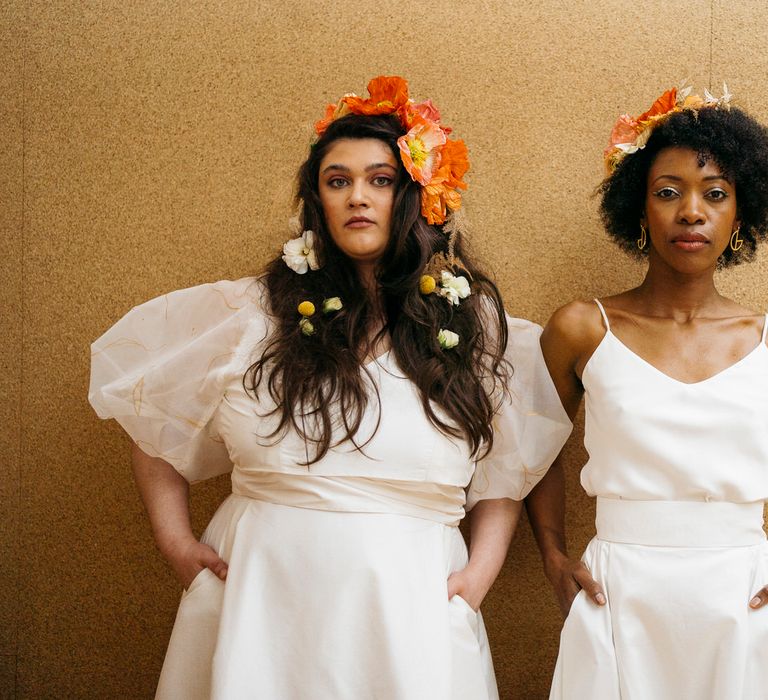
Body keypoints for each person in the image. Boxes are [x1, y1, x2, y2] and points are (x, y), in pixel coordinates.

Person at [89, 76, 571, 700]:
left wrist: (480, 573)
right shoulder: (255, 312)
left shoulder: (472, 325)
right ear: (318, 201)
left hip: (412, 602)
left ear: (417, 196)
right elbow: (151, 409)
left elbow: (509, 467)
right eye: (337, 181)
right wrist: (175, 541)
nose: (357, 197)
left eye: (380, 179)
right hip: (262, 593)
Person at [526, 84, 768, 699]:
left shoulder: (765, 338)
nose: (692, 212)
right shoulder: (581, 328)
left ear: (740, 214)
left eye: (715, 194)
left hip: (742, 591)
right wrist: (553, 555)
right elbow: (532, 452)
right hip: (621, 586)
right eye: (668, 192)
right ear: (638, 206)